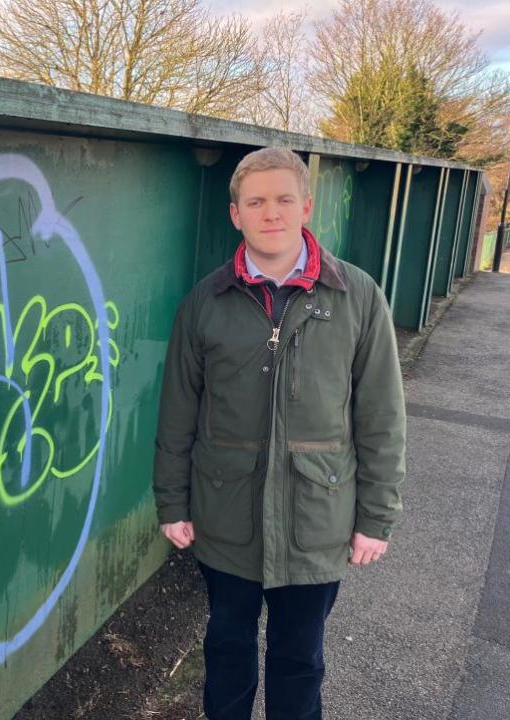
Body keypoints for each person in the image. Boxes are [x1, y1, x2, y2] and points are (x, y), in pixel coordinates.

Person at [152, 147, 406, 720]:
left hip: (317, 518)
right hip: (224, 516)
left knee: (300, 658)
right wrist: (172, 503)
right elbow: (177, 415)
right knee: (227, 648)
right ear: (235, 213)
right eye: (256, 201)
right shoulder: (204, 304)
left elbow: (382, 417)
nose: (271, 212)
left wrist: (376, 517)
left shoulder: (357, 297)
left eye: (284, 199)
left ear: (306, 207)